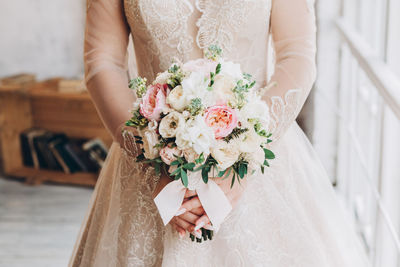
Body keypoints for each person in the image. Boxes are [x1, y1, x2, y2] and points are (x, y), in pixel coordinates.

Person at [69, 0, 370, 266]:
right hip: (149, 152)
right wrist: (152, 167)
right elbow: (102, 62)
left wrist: (244, 159)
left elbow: (297, 55)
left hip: (259, 156)